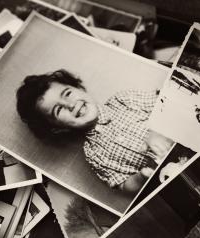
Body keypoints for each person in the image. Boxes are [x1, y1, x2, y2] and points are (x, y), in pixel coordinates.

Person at [16, 69, 173, 194]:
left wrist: (156, 130)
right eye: (58, 110)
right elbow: (123, 184)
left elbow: (168, 104)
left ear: (79, 88)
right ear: (57, 128)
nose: (70, 104)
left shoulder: (123, 100)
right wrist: (141, 177)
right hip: (169, 176)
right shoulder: (93, 154)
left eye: (68, 93)